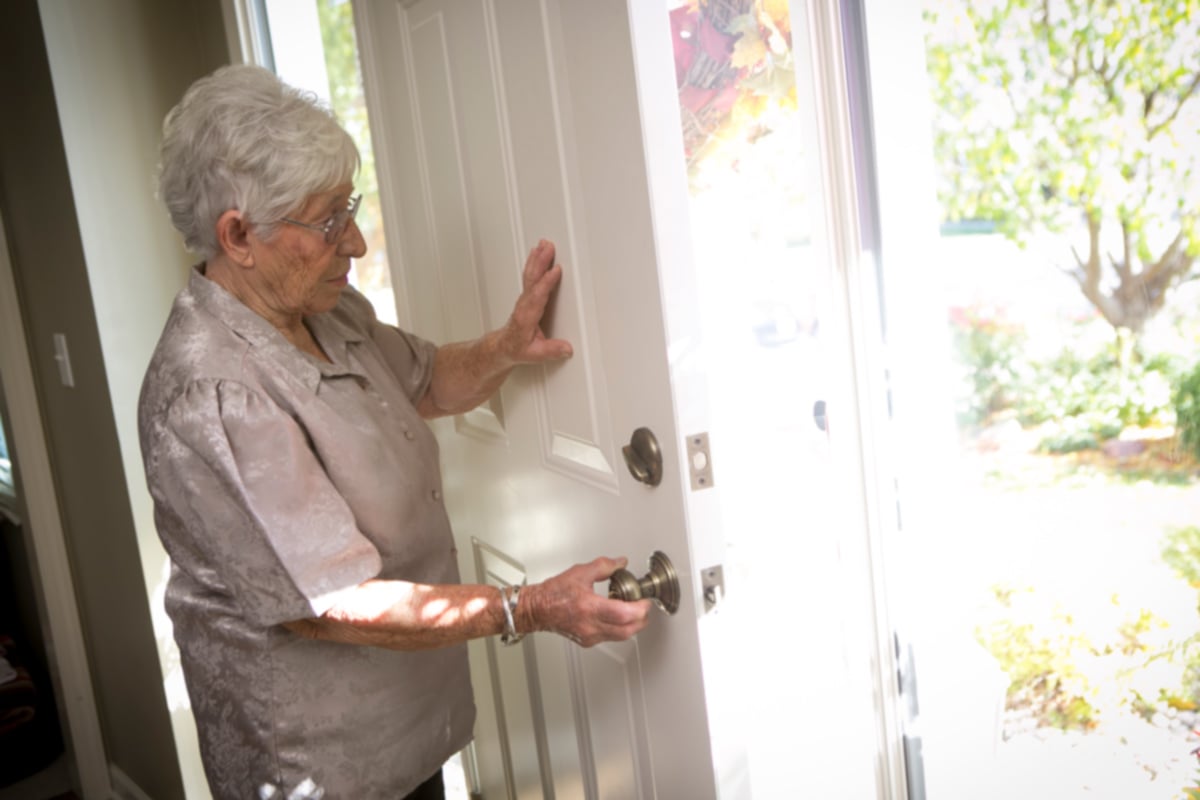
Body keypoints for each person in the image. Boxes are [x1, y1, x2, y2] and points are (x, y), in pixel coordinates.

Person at [138, 64, 652, 800]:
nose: (355, 242)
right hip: (319, 761)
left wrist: (506, 345)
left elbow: (424, 380)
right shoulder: (212, 394)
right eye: (327, 222)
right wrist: (527, 606)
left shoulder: (325, 310)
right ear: (239, 235)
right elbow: (336, 601)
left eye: (348, 207)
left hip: (402, 725)